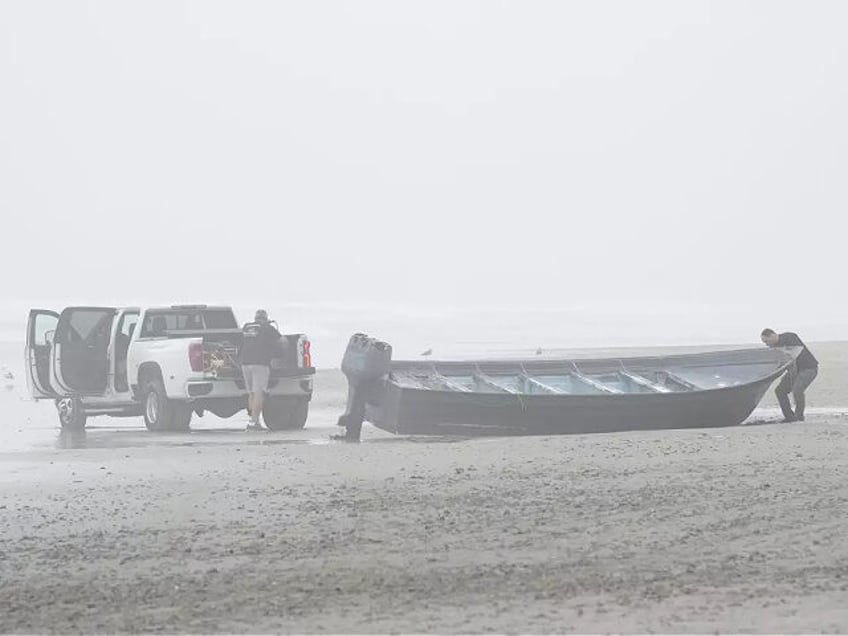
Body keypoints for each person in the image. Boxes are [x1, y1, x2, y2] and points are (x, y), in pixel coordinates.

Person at [761, 328, 819, 422]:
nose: (766, 344)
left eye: (766, 341)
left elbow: (794, 354)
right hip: (793, 371)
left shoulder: (790, 337)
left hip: (809, 368)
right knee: (779, 391)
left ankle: (799, 417)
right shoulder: (774, 348)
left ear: (772, 335)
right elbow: (778, 365)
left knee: (797, 390)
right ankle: (789, 417)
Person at [240, 309, 282, 431]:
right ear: (266, 318)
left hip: (245, 363)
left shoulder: (247, 327)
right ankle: (254, 422)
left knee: (251, 393)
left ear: (255, 318)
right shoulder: (267, 328)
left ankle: (252, 421)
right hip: (260, 363)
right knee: (259, 393)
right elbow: (282, 341)